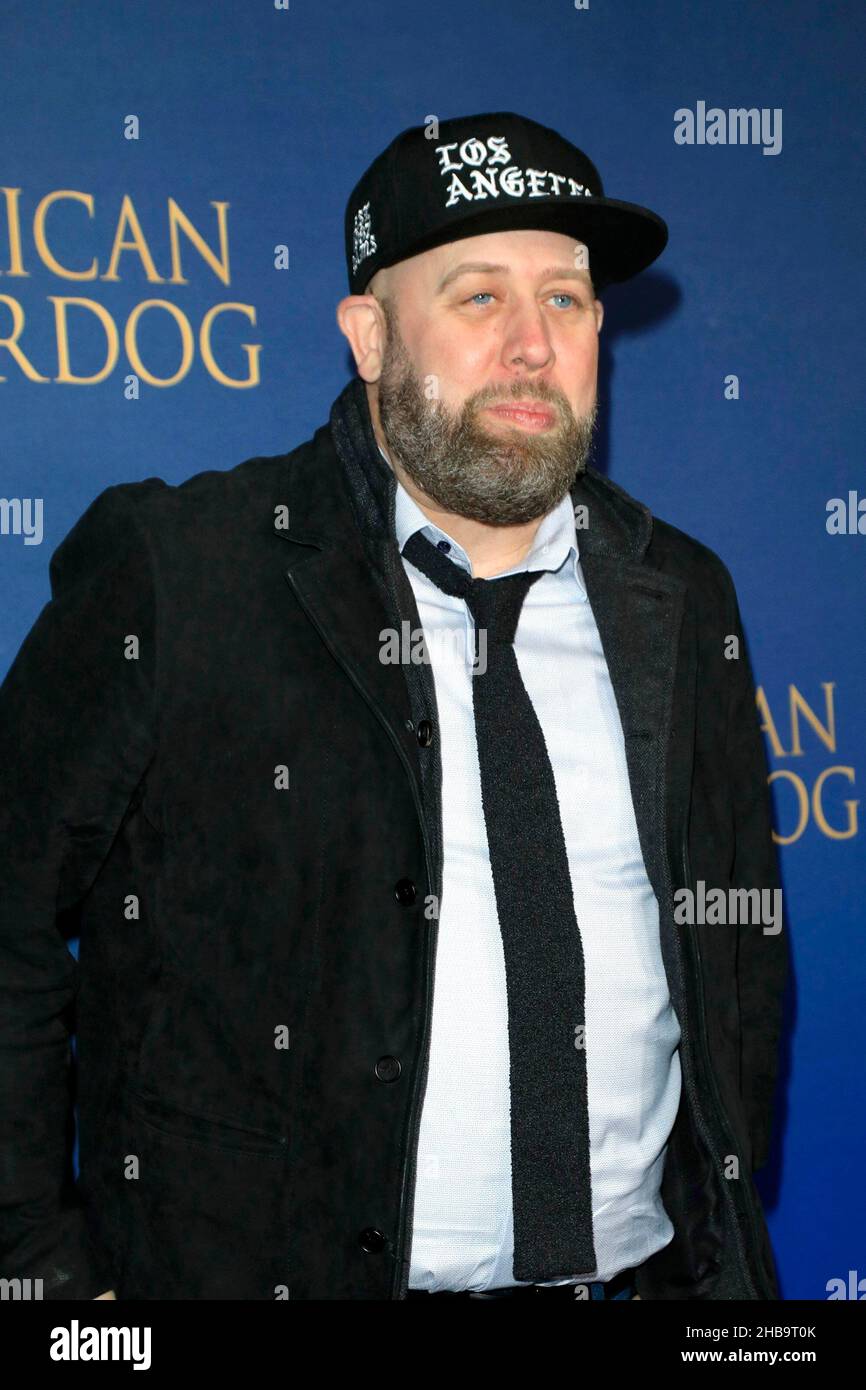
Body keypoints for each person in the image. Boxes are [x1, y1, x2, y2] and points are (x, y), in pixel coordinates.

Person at [0, 111, 787, 1301]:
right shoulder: (187, 570)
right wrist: (49, 1286)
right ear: (369, 336)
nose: (533, 345)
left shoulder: (678, 594)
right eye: (478, 298)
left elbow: (734, 960)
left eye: (565, 300)